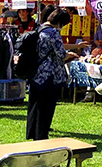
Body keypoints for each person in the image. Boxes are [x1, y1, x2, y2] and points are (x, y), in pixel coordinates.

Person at [27, 8, 76, 140]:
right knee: (46, 107)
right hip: (49, 75)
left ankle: (31, 132)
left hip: (36, 73)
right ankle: (41, 135)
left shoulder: (39, 29)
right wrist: (70, 55)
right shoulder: (53, 33)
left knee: (34, 104)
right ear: (60, 23)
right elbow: (61, 54)